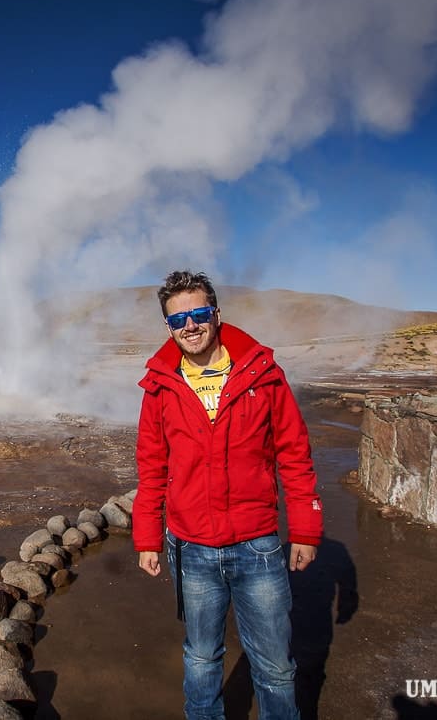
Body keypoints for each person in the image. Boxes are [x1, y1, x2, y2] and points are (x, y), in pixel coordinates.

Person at [132, 270, 323, 720]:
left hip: (256, 544)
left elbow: (295, 456)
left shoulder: (263, 374)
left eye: (198, 314)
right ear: (168, 328)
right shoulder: (160, 385)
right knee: (201, 658)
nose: (190, 326)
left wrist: (307, 530)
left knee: (275, 665)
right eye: (178, 320)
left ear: (216, 314)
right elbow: (152, 468)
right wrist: (146, 539)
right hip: (191, 546)